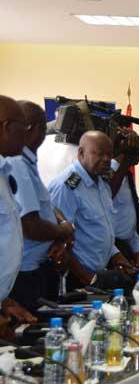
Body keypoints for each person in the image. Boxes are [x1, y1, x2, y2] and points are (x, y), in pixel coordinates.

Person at [7, 102, 74, 311]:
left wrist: (62, 227)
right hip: (24, 274)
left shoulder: (27, 163)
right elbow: (32, 226)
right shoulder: (17, 163)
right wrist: (63, 230)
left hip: (39, 267)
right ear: (34, 128)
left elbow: (47, 207)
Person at [48, 131, 134, 290]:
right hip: (75, 277)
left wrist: (116, 256)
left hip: (96, 274)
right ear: (81, 153)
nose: (106, 159)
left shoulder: (101, 183)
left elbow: (100, 229)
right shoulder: (67, 187)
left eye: (110, 155)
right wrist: (86, 277)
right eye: (100, 154)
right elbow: (58, 242)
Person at [0, 95, 35, 325]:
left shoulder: (4, 172)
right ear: (5, 127)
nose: (27, 133)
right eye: (24, 126)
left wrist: (4, 301)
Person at [109, 130, 139, 267]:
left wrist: (137, 249)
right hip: (111, 251)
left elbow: (128, 217)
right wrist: (125, 163)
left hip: (126, 248)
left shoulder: (126, 174)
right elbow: (109, 195)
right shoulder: (106, 173)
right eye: (135, 147)